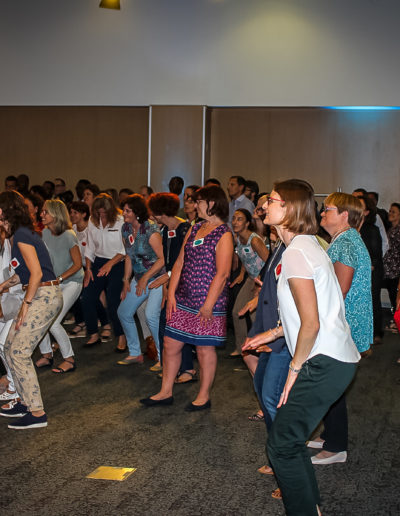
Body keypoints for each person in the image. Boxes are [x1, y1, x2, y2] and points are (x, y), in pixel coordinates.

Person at [262, 180, 360, 515]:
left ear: (289, 209)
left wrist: (294, 369)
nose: (265, 205)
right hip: (333, 358)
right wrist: (274, 333)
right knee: (288, 441)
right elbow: (313, 311)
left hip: (324, 361)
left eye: (272, 200)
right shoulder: (307, 245)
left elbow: (311, 323)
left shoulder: (296, 252)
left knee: (282, 444)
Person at [141, 185, 233, 410]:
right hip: (183, 298)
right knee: (170, 343)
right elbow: (179, 262)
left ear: (212, 203)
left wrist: (208, 304)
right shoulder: (195, 227)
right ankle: (165, 391)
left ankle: (203, 396)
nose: (193, 205)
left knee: (204, 349)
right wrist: (171, 293)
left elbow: (222, 274)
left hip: (207, 301)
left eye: (198, 201)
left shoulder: (224, 234)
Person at [308, 192, 372, 467]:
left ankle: (336, 446)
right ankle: (331, 435)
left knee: (330, 384)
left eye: (328, 209)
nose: (322, 213)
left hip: (343, 325)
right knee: (332, 384)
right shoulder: (345, 239)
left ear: (345, 215)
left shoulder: (346, 242)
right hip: (344, 323)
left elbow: (339, 290)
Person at [0, 191, 63, 429]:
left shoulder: (21, 235)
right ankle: (24, 402)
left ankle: (37, 413)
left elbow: (36, 274)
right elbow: (24, 273)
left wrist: (25, 306)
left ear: (3, 211)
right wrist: (4, 286)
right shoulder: (19, 235)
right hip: (40, 293)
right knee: (9, 347)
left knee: (18, 351)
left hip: (43, 296)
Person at [147, 192, 193, 381]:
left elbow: (187, 261)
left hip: (185, 284)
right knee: (167, 325)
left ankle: (188, 369)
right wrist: (166, 287)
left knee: (180, 326)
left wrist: (167, 278)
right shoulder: (166, 230)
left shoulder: (185, 229)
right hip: (171, 282)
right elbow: (167, 260)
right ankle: (171, 366)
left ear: (160, 212)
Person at [35, 200, 84, 373]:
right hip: (54, 282)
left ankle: (69, 360)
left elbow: (78, 264)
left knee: (54, 322)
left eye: (45, 212)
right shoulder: (45, 233)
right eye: (42, 211)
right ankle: (47, 354)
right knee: (41, 318)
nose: (41, 214)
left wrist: (59, 278)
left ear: (56, 214)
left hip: (72, 282)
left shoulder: (69, 235)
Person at [117, 194, 165, 367]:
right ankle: (135, 353)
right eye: (124, 210)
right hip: (139, 278)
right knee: (124, 312)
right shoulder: (126, 228)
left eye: (128, 211)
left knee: (151, 316)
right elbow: (129, 256)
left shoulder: (150, 230)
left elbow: (162, 259)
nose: (124, 213)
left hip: (157, 278)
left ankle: (162, 357)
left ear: (137, 212)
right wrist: (126, 280)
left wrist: (145, 278)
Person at [82, 193, 126, 348]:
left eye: (104, 213)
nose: (101, 216)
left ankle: (121, 336)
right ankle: (93, 333)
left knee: (114, 302)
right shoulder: (92, 221)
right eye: (98, 213)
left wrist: (110, 264)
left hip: (118, 262)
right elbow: (90, 247)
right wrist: (88, 269)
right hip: (99, 261)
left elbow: (125, 248)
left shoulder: (121, 221)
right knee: (87, 297)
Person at [230, 209, 269, 357]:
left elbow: (269, 261)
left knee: (254, 316)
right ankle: (242, 348)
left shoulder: (255, 241)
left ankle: (259, 351)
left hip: (262, 279)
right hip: (250, 278)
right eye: (234, 219)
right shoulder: (238, 238)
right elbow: (244, 257)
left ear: (247, 223)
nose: (235, 222)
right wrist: (241, 274)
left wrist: (259, 281)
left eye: (239, 219)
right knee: (237, 312)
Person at [359, 195, 384, 344]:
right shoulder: (352, 228)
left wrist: (367, 269)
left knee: (373, 301)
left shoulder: (372, 229)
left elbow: (376, 254)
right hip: (359, 271)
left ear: (367, 212)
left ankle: (376, 333)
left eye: (360, 206)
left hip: (372, 271)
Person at [383, 202, 400, 327]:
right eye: (390, 211)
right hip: (389, 269)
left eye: (393, 212)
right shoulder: (390, 229)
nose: (390, 213)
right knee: (392, 294)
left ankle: (396, 320)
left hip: (396, 269)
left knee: (395, 295)